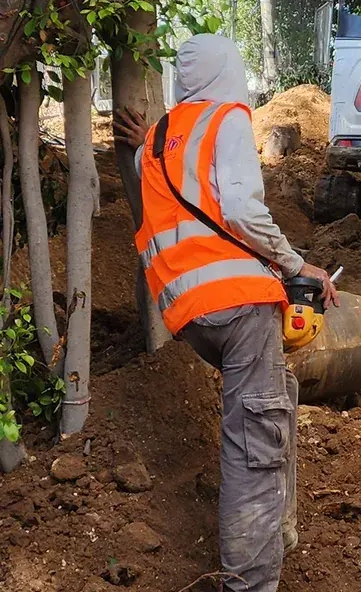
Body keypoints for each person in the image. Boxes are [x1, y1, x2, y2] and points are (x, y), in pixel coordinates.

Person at [114, 34, 337, 592]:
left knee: (274, 396)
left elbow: (180, 197)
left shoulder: (158, 141)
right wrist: (295, 264)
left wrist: (145, 140)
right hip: (239, 306)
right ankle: (251, 584)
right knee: (254, 448)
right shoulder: (227, 121)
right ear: (228, 74)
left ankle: (281, 530)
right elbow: (238, 207)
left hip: (190, 316)